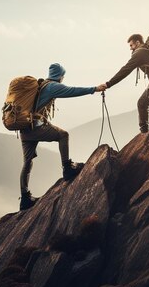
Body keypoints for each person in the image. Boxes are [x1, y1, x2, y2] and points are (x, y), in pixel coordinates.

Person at [20, 63, 106, 210]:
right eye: (63, 76)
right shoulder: (52, 86)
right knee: (63, 135)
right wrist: (95, 89)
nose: (63, 78)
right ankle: (67, 168)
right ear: (59, 76)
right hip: (36, 128)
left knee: (27, 162)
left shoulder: (41, 84)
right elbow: (71, 91)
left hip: (24, 129)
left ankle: (25, 198)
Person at [98, 33, 149, 135]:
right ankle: (144, 134)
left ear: (137, 43)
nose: (130, 48)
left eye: (131, 45)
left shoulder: (140, 53)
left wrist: (108, 84)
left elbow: (125, 70)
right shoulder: (148, 49)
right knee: (142, 103)